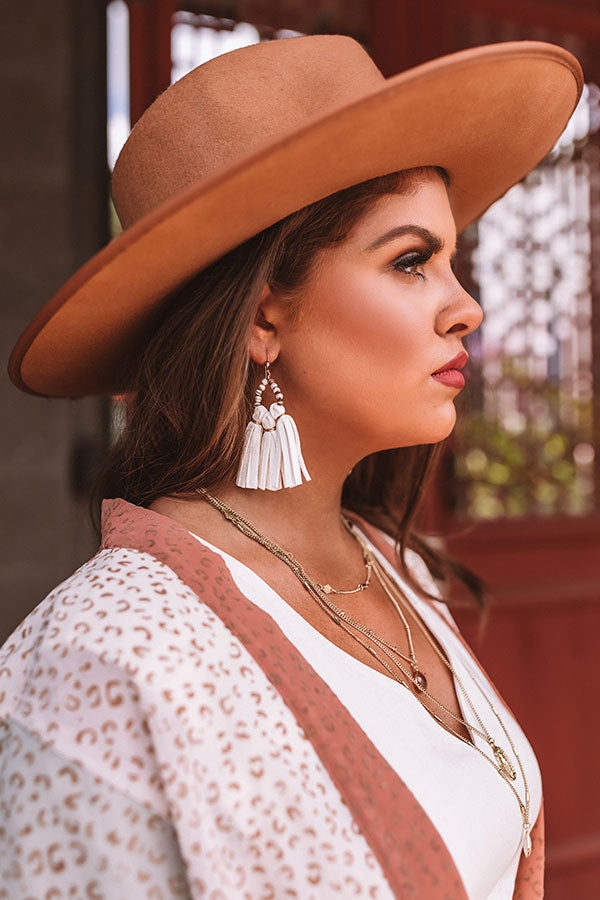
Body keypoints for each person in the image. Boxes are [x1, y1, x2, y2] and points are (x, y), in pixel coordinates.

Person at [1, 34, 582, 900]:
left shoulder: (392, 567)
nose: (468, 307)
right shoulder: (100, 663)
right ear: (260, 319)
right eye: (412, 261)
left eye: (452, 260)